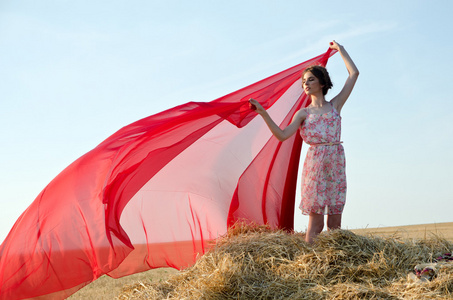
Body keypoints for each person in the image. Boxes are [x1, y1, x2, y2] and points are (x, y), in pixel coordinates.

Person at [249, 41, 359, 243]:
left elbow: (353, 74)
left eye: (310, 80)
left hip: (335, 163)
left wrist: (341, 50)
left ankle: (332, 263)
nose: (305, 84)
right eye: (303, 82)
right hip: (315, 166)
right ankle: (310, 262)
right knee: (316, 223)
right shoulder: (303, 114)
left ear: (322, 83)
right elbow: (282, 135)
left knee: (335, 224)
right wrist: (263, 114)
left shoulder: (335, 105)